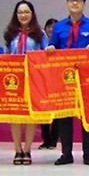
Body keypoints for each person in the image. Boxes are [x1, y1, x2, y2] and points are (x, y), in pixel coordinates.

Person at [47, 0, 89, 165]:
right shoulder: (59, 27)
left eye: (78, 0)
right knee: (65, 117)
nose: (74, 3)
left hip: (88, 79)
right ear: (67, 3)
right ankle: (66, 154)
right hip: (66, 78)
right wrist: (51, 49)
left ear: (84, 4)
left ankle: (88, 153)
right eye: (71, 0)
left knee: (88, 115)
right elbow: (52, 49)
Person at [4, 0, 48, 165]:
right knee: (15, 115)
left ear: (32, 14)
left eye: (26, 12)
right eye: (20, 12)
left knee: (30, 115)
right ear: (16, 15)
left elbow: (45, 55)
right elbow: (6, 55)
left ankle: (28, 149)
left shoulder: (40, 34)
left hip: (33, 79)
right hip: (14, 79)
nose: (23, 15)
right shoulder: (10, 34)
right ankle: (17, 150)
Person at [38, 18, 60, 150]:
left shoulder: (59, 42)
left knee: (57, 111)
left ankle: (54, 140)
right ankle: (45, 139)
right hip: (42, 79)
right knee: (44, 109)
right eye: (49, 27)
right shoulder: (40, 39)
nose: (51, 29)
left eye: (54, 27)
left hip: (57, 79)